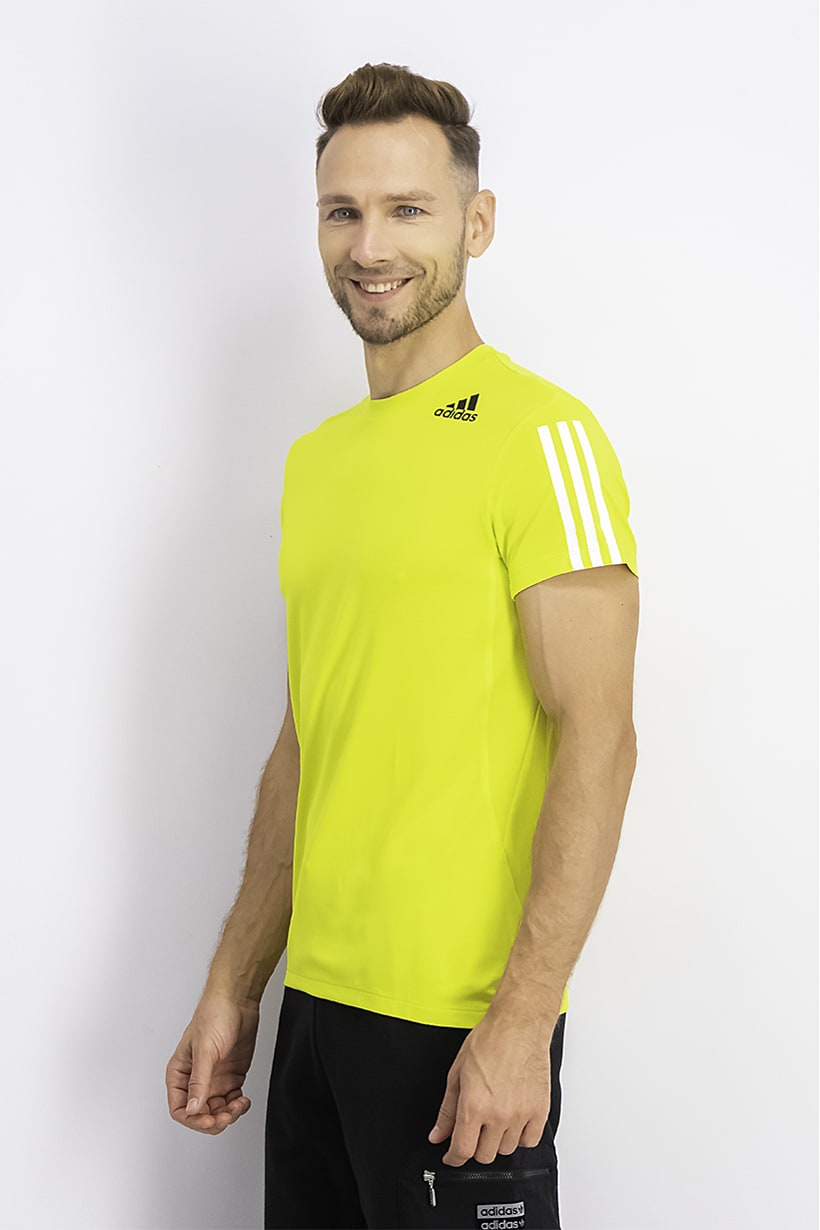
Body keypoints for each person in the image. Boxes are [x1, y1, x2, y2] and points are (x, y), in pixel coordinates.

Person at [165, 62, 639, 1230]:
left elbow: (600, 737)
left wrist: (520, 1022)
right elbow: (307, 742)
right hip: (319, 1012)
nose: (370, 245)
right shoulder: (317, 462)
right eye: (343, 211)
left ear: (476, 223)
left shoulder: (542, 436)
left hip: (457, 1024)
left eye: (407, 208)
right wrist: (236, 983)